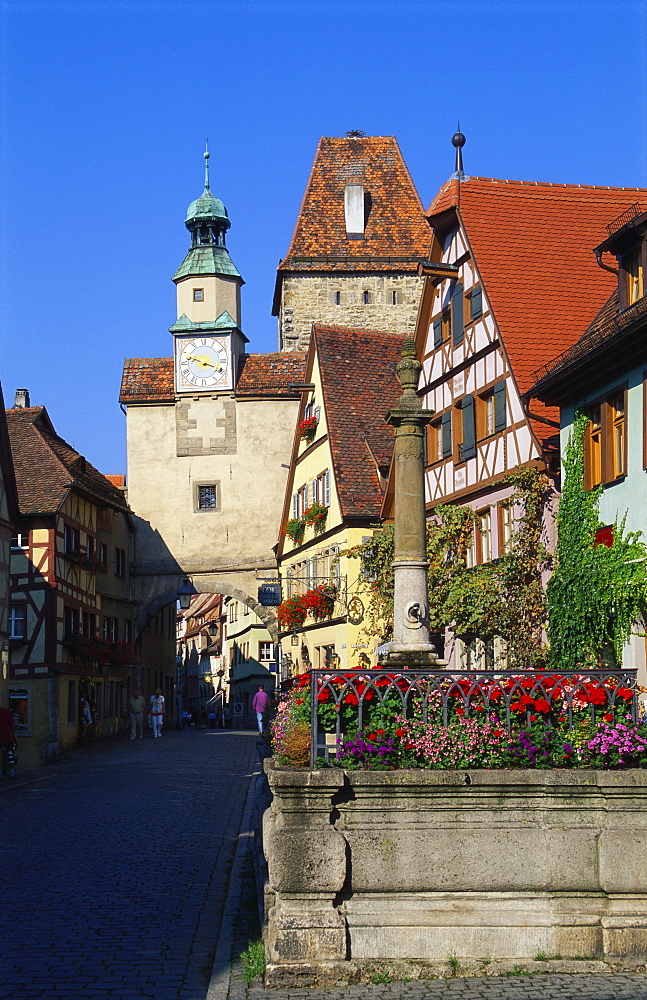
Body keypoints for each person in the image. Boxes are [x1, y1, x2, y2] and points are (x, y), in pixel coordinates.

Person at [0, 707, 17, 778]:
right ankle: (12, 772)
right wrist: (14, 736)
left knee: (0, 755)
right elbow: (12, 725)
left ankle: (0, 773)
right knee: (10, 754)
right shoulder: (7, 712)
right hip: (8, 736)